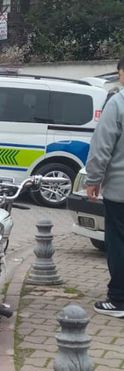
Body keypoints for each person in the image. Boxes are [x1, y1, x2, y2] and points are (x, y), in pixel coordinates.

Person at [85, 56, 124, 318]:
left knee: (118, 241)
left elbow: (102, 146)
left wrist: (93, 179)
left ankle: (118, 299)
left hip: (121, 192)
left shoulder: (119, 102)